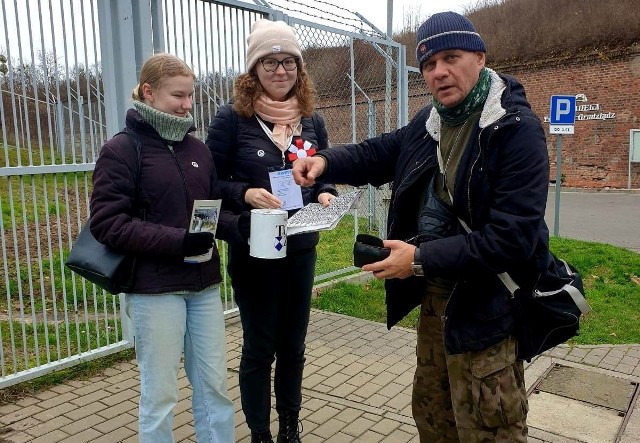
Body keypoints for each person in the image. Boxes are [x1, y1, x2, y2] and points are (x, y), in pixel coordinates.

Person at [293, 11, 551, 443]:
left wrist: (419, 259)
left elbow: (513, 240)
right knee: (433, 417)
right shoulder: (430, 123)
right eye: (429, 64)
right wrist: (325, 160)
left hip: (487, 307)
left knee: (489, 429)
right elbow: (379, 152)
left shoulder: (514, 130)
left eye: (451, 57)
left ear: (480, 57)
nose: (439, 72)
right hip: (435, 301)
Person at [90, 53, 241, 443]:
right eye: (179, 95)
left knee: (214, 389)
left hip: (203, 286)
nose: (188, 105)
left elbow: (207, 217)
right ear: (148, 92)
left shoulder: (198, 150)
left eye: (191, 96)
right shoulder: (121, 150)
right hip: (154, 290)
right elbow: (108, 224)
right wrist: (179, 242)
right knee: (160, 395)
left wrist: (243, 228)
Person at [205, 19, 337, 443]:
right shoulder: (231, 119)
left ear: (299, 68)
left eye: (289, 62)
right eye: (270, 62)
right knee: (260, 347)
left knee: (293, 346)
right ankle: (260, 433)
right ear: (253, 69)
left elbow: (323, 172)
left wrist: (326, 194)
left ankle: (290, 429)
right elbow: (210, 183)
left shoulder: (311, 120)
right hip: (254, 248)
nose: (281, 70)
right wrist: (246, 193)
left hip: (301, 246)